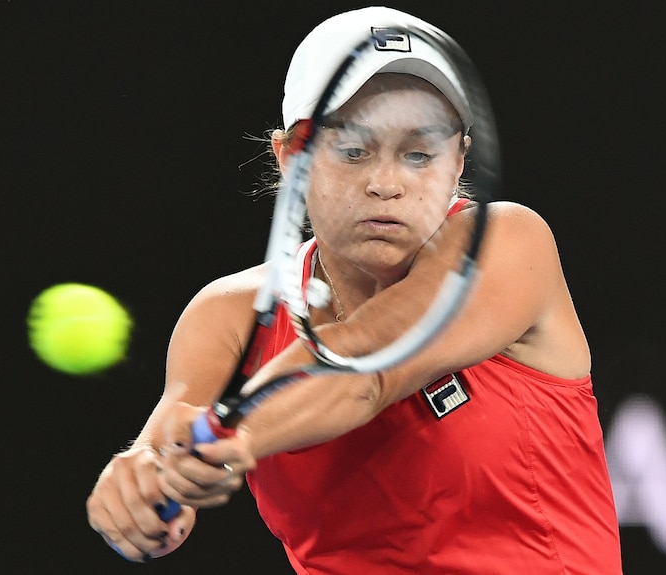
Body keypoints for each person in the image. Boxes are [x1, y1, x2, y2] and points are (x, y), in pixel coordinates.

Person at [86, 6, 623, 574]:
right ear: (291, 157)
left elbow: (366, 369)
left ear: (459, 160)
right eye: (353, 150)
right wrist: (143, 490)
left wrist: (226, 438)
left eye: (420, 154)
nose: (386, 184)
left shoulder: (510, 243)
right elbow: (162, 455)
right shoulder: (227, 316)